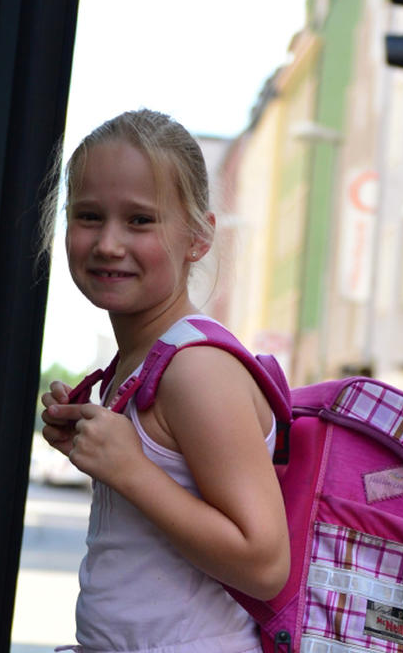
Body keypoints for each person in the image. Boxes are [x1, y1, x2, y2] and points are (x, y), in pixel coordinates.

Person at [39, 109, 289, 653]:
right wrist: (93, 444)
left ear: (198, 238)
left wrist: (129, 469)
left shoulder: (197, 369)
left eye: (140, 221)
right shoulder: (145, 362)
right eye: (87, 216)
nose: (108, 243)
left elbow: (265, 563)